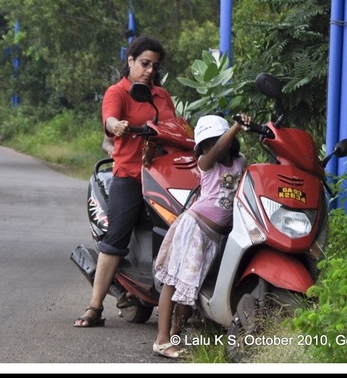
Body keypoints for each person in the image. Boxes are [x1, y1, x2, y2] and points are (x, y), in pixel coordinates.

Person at [74, 36, 177, 328]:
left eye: (154, 66)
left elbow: (177, 127)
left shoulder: (161, 96)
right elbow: (109, 119)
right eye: (144, 63)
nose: (149, 71)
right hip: (130, 176)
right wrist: (116, 125)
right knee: (115, 238)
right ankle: (94, 308)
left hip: (163, 176)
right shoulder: (118, 92)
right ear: (130, 61)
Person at [151, 113, 251, 358]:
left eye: (213, 141)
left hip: (215, 236)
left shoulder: (240, 162)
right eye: (205, 144)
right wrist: (237, 127)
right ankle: (162, 340)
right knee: (175, 283)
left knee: (190, 288)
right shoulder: (206, 163)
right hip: (195, 228)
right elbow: (217, 150)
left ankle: (175, 337)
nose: (211, 146)